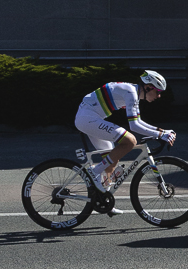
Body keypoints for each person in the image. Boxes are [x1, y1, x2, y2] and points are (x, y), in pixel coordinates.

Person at [75, 70, 175, 200]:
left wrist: (161, 131)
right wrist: (160, 135)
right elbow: (134, 126)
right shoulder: (131, 92)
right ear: (148, 87)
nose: (159, 96)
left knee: (111, 162)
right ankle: (94, 171)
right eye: (158, 92)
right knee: (130, 141)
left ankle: (104, 201)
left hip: (90, 118)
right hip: (87, 118)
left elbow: (138, 121)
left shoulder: (133, 92)